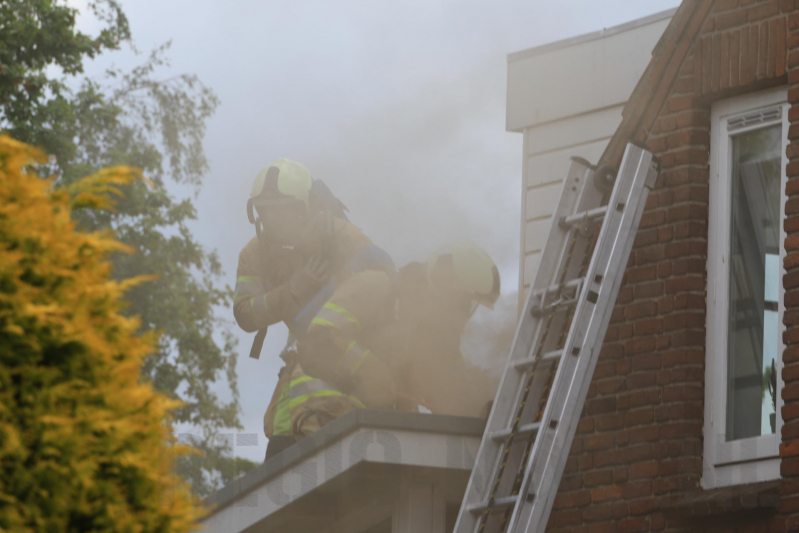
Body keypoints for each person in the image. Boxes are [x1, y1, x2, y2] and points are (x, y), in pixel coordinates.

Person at [232, 157, 380, 460]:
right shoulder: (254, 254)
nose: (270, 220)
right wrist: (292, 289)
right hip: (302, 354)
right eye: (263, 211)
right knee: (282, 440)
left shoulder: (342, 236)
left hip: (354, 353)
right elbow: (245, 314)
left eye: (279, 211)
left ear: (303, 208)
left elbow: (384, 283)